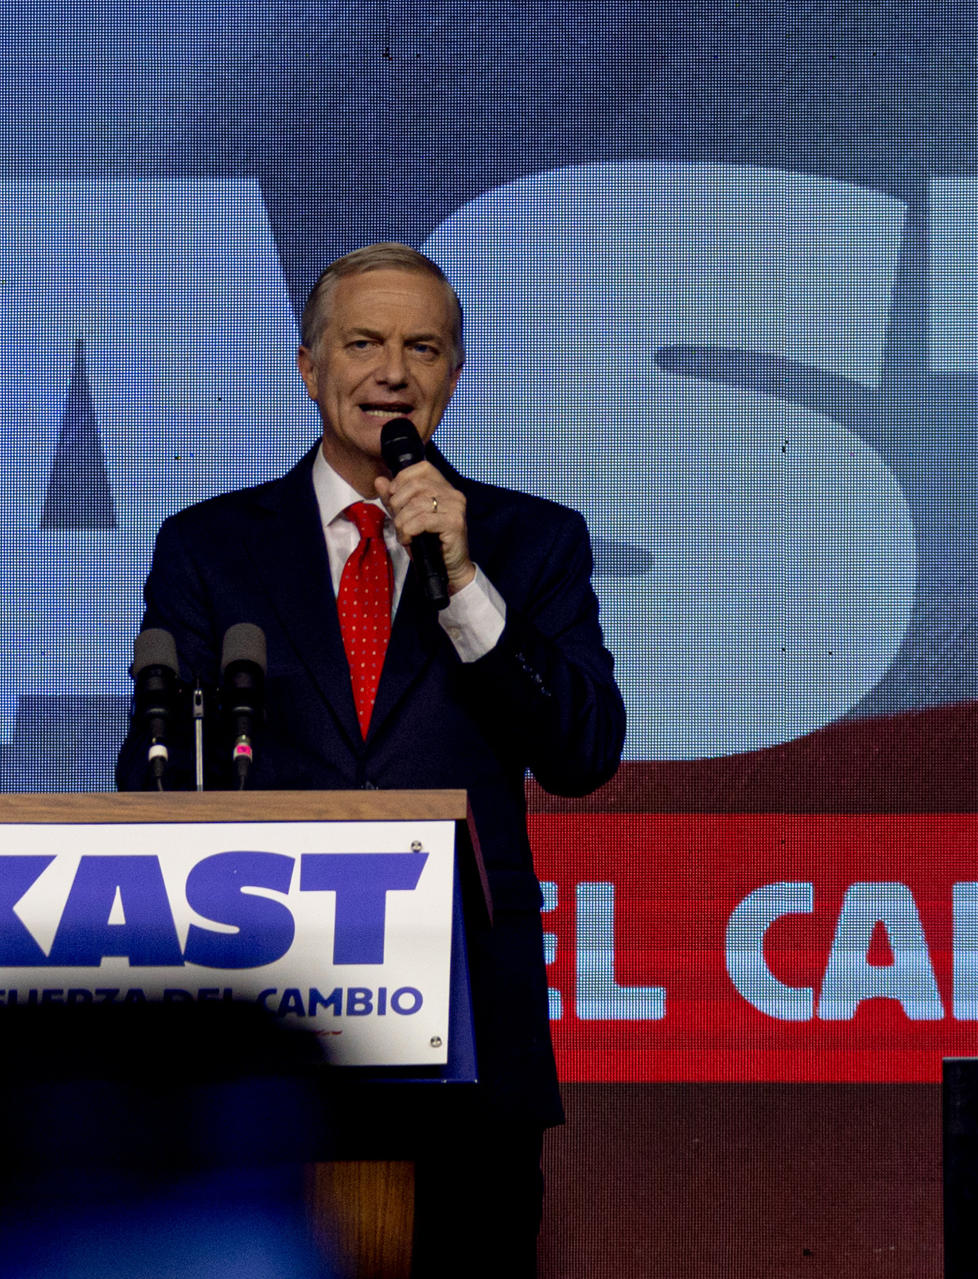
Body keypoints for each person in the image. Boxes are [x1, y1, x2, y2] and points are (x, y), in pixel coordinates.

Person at [115, 242, 626, 1276]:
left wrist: (467, 582)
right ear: (310, 368)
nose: (392, 370)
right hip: (260, 1033)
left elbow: (581, 751)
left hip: (468, 1040)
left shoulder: (531, 543)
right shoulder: (210, 548)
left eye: (421, 346)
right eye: (364, 343)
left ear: (453, 374)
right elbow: (150, 776)